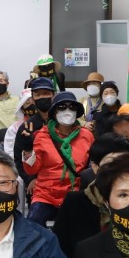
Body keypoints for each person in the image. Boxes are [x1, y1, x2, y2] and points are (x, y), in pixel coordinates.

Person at [53, 134, 129, 258]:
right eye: (111, 163)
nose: (119, 170)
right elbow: (60, 247)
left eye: (125, 163)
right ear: (95, 167)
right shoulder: (75, 202)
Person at [23, 92, 94, 226]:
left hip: (75, 194)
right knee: (32, 225)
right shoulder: (42, 135)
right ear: (54, 112)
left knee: (87, 226)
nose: (67, 110)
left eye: (72, 107)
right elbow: (32, 170)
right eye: (62, 107)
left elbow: (93, 166)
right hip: (46, 195)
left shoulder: (87, 136)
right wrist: (28, 151)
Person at [13, 77, 57, 184]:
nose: (42, 97)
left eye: (46, 93)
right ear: (32, 99)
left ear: (53, 95)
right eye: (38, 95)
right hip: (38, 179)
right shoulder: (26, 127)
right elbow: (19, 158)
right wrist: (30, 179)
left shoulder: (63, 122)